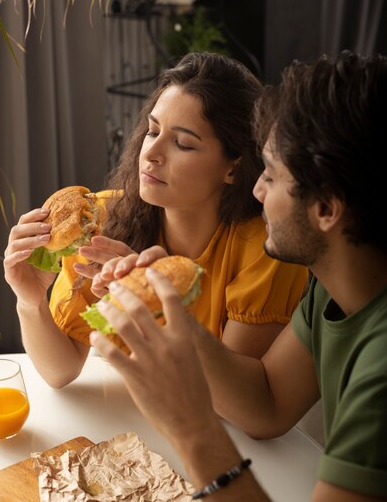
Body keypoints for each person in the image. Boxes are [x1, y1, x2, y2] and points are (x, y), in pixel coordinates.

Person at [90, 50, 387, 501]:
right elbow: (267, 405)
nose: (256, 189)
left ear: (326, 209)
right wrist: (172, 315)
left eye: (271, 175)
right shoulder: (332, 291)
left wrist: (191, 427)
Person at [3, 52, 308, 388]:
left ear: (233, 167)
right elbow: (59, 372)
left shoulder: (264, 250)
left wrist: (148, 302)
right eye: (152, 130)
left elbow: (227, 402)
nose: (151, 153)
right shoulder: (97, 222)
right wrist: (30, 302)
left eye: (182, 143)